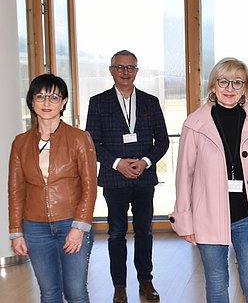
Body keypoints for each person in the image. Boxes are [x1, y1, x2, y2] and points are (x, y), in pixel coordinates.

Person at [170, 57, 248, 303]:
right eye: (223, 81)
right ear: (213, 86)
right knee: (217, 285)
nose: (230, 88)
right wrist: (185, 221)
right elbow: (184, 177)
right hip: (207, 218)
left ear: (245, 88)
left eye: (237, 82)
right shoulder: (194, 124)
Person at [86, 50, 169, 303]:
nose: (125, 72)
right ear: (111, 70)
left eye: (130, 67)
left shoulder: (150, 102)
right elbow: (92, 142)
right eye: (119, 67)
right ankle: (119, 286)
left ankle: (146, 281)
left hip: (144, 179)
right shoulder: (98, 102)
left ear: (136, 71)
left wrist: (144, 162)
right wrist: (116, 163)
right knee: (116, 233)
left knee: (144, 231)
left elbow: (163, 141)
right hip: (114, 179)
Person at [8, 74, 98, 303]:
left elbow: (90, 186)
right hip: (35, 228)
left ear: (64, 102)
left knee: (76, 292)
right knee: (49, 292)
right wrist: (16, 231)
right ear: (31, 101)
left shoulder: (79, 138)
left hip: (71, 222)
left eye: (54, 97)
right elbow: (16, 190)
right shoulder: (20, 142)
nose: (47, 103)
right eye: (40, 97)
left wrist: (79, 227)